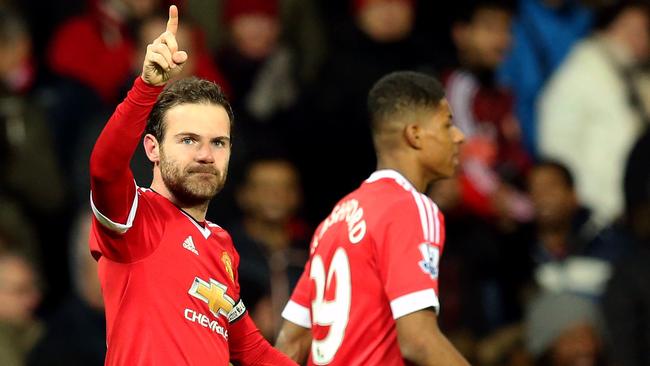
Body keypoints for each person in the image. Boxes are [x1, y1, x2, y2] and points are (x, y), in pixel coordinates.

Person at [88, 5, 297, 365]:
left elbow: (252, 351)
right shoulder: (135, 216)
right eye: (188, 140)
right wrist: (147, 87)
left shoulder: (221, 246)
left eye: (218, 142)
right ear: (152, 148)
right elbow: (105, 168)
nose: (205, 155)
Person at [275, 71, 470, 365]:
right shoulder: (412, 208)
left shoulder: (336, 217)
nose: (459, 136)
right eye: (447, 125)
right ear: (414, 134)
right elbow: (419, 340)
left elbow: (291, 341)